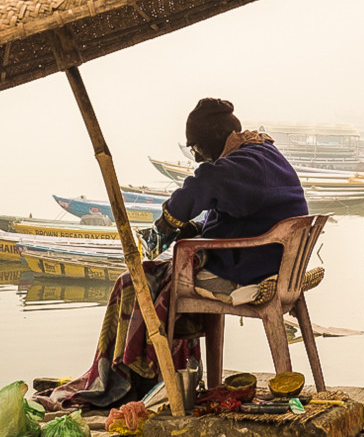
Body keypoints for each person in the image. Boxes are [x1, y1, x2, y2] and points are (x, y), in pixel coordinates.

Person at [36, 98, 308, 410]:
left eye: (196, 148)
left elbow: (203, 182)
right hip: (271, 261)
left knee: (132, 282)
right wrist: (194, 228)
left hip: (250, 267)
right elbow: (239, 211)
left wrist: (165, 225)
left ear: (214, 140)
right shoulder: (261, 152)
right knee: (157, 272)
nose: (195, 156)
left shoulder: (242, 163)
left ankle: (131, 375)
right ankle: (123, 369)